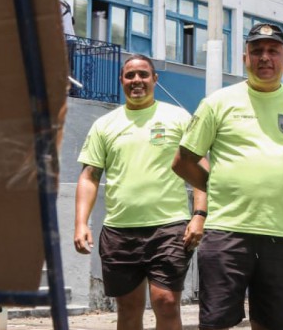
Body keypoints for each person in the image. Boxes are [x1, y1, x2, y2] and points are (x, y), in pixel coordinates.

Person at [173, 23, 283, 330]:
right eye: (257, 50)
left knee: (278, 324)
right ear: (245, 57)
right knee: (216, 323)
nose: (264, 57)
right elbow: (184, 161)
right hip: (226, 233)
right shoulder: (217, 102)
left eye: (273, 51)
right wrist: (217, 187)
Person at [73, 54, 206, 330]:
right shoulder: (104, 125)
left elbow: (200, 168)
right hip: (120, 231)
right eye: (130, 75)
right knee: (128, 309)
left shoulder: (177, 116)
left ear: (155, 79)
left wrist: (199, 215)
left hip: (169, 228)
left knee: (167, 302)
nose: (137, 81)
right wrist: (80, 223)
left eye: (143, 75)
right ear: (122, 80)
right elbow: (89, 176)